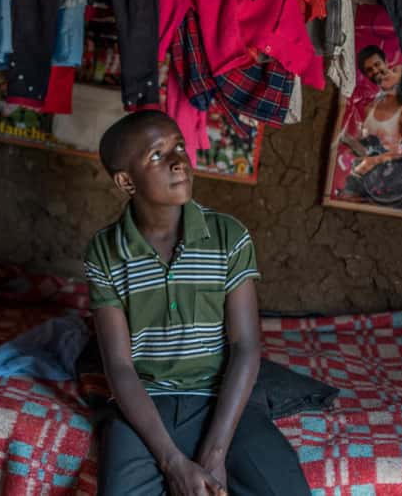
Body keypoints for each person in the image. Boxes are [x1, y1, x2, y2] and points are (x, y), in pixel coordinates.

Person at [85, 110, 310, 496]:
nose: (179, 161)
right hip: (146, 404)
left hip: (219, 399)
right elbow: (120, 367)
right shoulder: (106, 252)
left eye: (179, 147)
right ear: (125, 181)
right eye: (157, 156)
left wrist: (215, 453)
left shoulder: (228, 237)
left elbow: (245, 347)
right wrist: (172, 461)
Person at [338, 46, 402, 210]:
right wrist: (349, 140)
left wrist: (375, 160)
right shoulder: (370, 107)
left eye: (377, 65)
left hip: (391, 181)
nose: (376, 71)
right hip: (367, 179)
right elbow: (366, 146)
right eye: (369, 69)